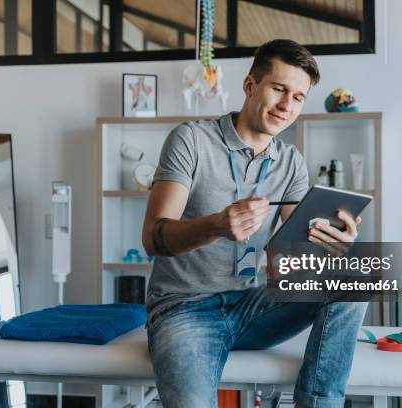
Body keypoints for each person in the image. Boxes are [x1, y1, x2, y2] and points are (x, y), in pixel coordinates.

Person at [142, 39, 367, 408]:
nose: (286, 106)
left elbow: (296, 256)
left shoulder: (291, 162)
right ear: (250, 86)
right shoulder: (191, 140)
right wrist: (215, 225)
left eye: (298, 97)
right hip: (182, 308)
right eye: (279, 89)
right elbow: (153, 237)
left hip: (247, 305)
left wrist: (333, 245)